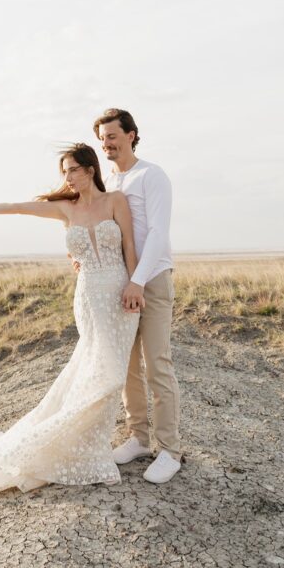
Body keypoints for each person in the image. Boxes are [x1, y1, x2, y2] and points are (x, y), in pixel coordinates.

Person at [0, 143, 141, 502]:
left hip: (119, 292)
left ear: (89, 169)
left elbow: (130, 245)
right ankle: (75, 448)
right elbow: (18, 208)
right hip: (89, 298)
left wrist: (135, 283)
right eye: (63, 172)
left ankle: (89, 447)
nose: (67, 177)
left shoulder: (115, 201)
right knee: (105, 371)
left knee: (107, 374)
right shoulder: (65, 209)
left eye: (72, 170)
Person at [89, 108, 182, 484]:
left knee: (157, 362)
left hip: (152, 280)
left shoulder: (151, 175)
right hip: (119, 284)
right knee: (127, 366)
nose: (106, 144)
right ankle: (140, 438)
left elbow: (158, 233)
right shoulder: (109, 181)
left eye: (112, 136)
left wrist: (139, 281)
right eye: (102, 138)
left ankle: (170, 449)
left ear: (131, 135)